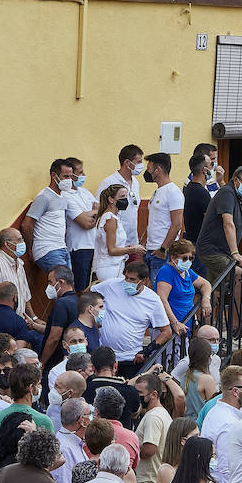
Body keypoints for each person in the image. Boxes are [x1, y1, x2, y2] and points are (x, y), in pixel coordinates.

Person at [94, 262, 172, 375]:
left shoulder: (153, 300)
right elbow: (87, 296)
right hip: (105, 357)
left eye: (132, 279)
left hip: (131, 359)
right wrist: (96, 317)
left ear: (144, 281)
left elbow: (167, 331)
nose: (127, 282)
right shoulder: (111, 285)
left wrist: (146, 351)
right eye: (126, 278)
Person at [195, 164, 242, 283]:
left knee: (218, 287)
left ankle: (220, 301)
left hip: (224, 252)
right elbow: (228, 223)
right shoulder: (227, 193)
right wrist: (235, 253)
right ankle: (232, 302)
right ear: (236, 180)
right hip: (212, 251)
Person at [62, 156, 98, 287]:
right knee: (81, 288)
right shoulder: (65, 195)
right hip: (78, 248)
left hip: (94, 246)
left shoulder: (86, 192)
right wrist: (95, 212)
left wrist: (91, 214)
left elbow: (103, 211)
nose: (84, 175)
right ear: (71, 175)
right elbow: (85, 223)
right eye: (80, 172)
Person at [102, 144, 145, 253]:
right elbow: (101, 209)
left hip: (132, 242)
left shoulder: (135, 183)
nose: (141, 165)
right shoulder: (109, 182)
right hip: (116, 243)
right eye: (138, 162)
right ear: (127, 163)